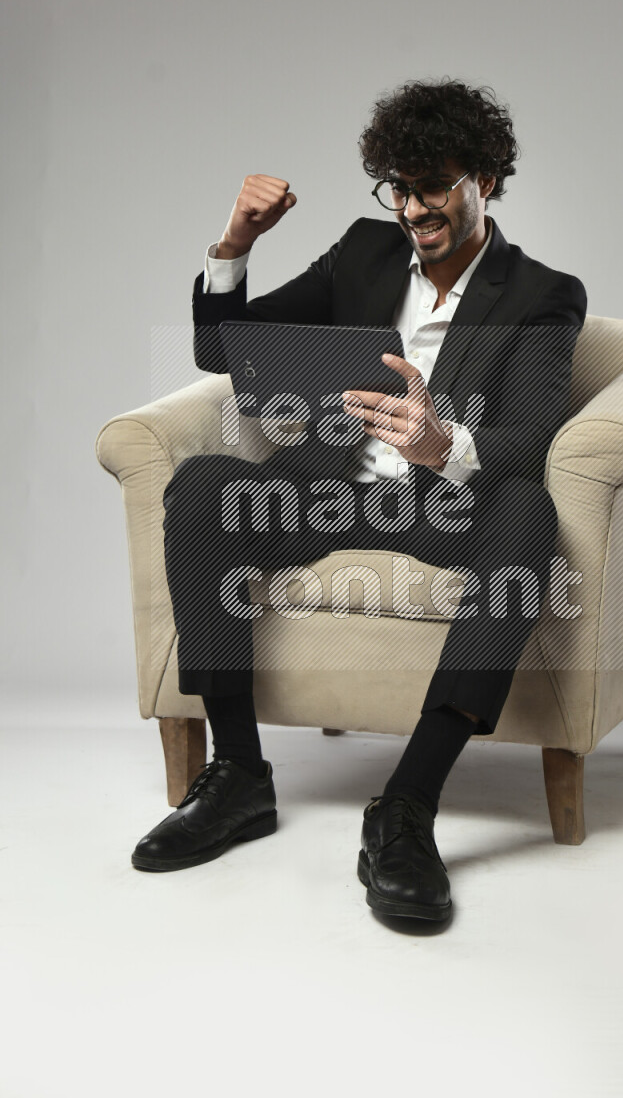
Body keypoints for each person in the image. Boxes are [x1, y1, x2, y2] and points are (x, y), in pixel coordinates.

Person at [131, 78, 587, 923]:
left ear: (485, 179)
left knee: (529, 513)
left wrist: (440, 442)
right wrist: (236, 242)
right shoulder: (361, 254)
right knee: (201, 488)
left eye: (436, 186)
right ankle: (237, 775)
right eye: (400, 189)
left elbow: (530, 439)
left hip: (442, 503)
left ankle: (407, 805)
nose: (415, 208)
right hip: (328, 491)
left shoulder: (542, 294)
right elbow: (216, 349)